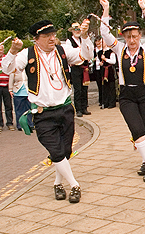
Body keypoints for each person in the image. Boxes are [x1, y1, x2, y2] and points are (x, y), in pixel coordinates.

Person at [3, 19, 93, 203]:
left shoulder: (63, 50)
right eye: (47, 36)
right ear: (37, 39)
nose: (52, 38)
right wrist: (12, 51)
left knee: (65, 151)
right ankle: (74, 185)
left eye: (53, 35)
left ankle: (57, 184)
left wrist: (84, 37)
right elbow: (6, 68)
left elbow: (86, 55)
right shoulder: (26, 54)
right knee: (56, 151)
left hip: (65, 109)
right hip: (42, 114)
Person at [98, 0, 145, 182]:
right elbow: (104, 34)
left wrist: (144, 8)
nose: (132, 40)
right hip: (127, 95)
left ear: (140, 35)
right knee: (136, 128)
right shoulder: (119, 49)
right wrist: (106, 10)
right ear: (124, 37)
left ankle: (144, 159)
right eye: (128, 37)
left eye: (134, 36)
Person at [66, 22, 91, 117]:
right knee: (78, 89)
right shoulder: (69, 41)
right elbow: (70, 53)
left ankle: (84, 107)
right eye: (75, 30)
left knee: (85, 87)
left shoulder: (83, 40)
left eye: (79, 29)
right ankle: (78, 109)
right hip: (75, 67)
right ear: (72, 31)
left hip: (84, 67)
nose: (77, 31)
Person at [9, 65, 32, 131]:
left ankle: (30, 124)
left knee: (29, 110)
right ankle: (20, 125)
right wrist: (10, 90)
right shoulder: (15, 69)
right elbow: (11, 79)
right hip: (18, 92)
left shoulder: (29, 68)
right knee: (19, 110)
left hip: (28, 92)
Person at [98, 40, 117, 109]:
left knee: (111, 86)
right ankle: (105, 102)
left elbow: (113, 61)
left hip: (109, 70)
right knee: (104, 86)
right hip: (103, 70)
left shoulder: (111, 52)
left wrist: (105, 59)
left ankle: (112, 102)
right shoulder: (100, 52)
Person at [0, 44, 14, 131]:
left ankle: (10, 123)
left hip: (6, 86)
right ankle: (0, 124)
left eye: (1, 49)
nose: (0, 51)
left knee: (8, 105)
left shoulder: (6, 59)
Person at [93, 36, 104, 109]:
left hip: (102, 68)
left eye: (99, 41)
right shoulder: (94, 50)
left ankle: (104, 100)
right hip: (96, 69)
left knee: (103, 85)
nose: (98, 43)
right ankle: (100, 100)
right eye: (97, 42)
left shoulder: (103, 50)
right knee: (99, 85)